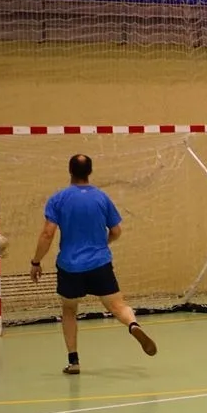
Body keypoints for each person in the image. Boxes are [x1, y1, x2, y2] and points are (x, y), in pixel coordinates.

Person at [29, 154, 157, 375]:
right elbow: (116, 231)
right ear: (90, 171)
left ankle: (74, 361)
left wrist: (36, 261)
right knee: (117, 306)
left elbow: (47, 234)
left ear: (70, 171)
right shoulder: (101, 197)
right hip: (100, 263)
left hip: (70, 267)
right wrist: (102, 243)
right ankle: (133, 325)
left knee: (69, 310)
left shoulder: (58, 199)